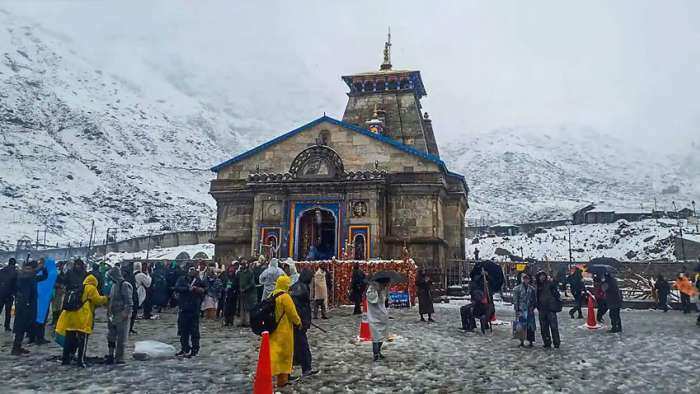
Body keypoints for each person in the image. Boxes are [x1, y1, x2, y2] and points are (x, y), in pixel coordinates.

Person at [56, 273, 108, 367]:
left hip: (70, 316)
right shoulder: (91, 288)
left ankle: (65, 359)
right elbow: (97, 300)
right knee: (82, 340)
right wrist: (106, 298)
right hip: (81, 317)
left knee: (69, 339)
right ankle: (80, 361)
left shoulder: (79, 286)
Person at [269, 275, 302, 387]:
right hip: (284, 330)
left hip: (273, 329)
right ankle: (282, 380)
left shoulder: (272, 294)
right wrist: (298, 322)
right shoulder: (285, 297)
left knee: (274, 354)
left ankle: (271, 375)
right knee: (285, 356)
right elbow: (292, 313)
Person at [11, 260, 48, 355]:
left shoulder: (31, 276)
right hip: (24, 304)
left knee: (24, 326)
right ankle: (16, 348)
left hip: (28, 304)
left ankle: (18, 346)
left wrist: (44, 269)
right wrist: (39, 267)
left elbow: (44, 277)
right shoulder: (24, 275)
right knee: (20, 325)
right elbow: (28, 274)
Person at [290, 269, 318, 377]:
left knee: (297, 344)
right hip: (300, 321)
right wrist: (304, 321)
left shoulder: (295, 286)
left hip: (297, 321)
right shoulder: (302, 289)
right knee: (303, 345)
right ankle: (306, 368)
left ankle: (296, 363)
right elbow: (302, 308)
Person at [174, 266, 207, 357]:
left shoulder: (198, 281)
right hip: (183, 307)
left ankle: (195, 349)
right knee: (183, 330)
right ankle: (185, 348)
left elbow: (205, 290)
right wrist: (187, 289)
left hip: (194, 308)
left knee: (194, 331)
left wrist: (198, 290)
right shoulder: (182, 279)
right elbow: (176, 288)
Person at [105, 266, 133, 364]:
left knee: (121, 338)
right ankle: (110, 355)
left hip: (122, 315)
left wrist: (125, 314)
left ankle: (119, 357)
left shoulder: (125, 285)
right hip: (113, 315)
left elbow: (129, 302)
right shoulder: (113, 286)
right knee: (111, 336)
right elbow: (111, 299)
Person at [535, 271, 561, 348]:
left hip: (550, 309)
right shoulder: (537, 286)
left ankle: (556, 342)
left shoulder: (550, 284)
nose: (542, 277)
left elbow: (556, 292)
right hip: (542, 309)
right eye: (540, 276)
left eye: (543, 276)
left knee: (554, 327)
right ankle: (547, 342)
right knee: (544, 328)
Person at [366, 277, 390, 361]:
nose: (386, 286)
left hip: (382, 316)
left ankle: (379, 351)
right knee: (375, 336)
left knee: (382, 336)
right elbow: (372, 300)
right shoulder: (371, 289)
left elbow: (385, 302)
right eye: (385, 284)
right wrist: (377, 292)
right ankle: (375, 354)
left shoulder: (384, 289)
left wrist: (386, 294)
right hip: (373, 316)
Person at [513, 273, 536, 347]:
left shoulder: (532, 289)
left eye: (527, 279)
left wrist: (533, 306)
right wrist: (516, 309)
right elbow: (515, 300)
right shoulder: (517, 289)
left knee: (530, 326)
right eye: (525, 278)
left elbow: (534, 299)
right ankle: (521, 341)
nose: (526, 280)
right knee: (521, 326)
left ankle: (531, 341)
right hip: (521, 310)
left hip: (529, 310)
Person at [0, 257, 18, 332]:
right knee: (8, 311)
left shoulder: (1, 270)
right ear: (14, 264)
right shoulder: (15, 272)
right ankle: (7, 326)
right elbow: (16, 284)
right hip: (9, 295)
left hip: (1, 293)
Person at [237, 260, 256, 327]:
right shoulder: (239, 272)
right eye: (242, 264)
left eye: (244, 264)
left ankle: (247, 321)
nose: (243, 265)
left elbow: (252, 283)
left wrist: (245, 289)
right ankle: (242, 321)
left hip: (249, 293)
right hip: (241, 292)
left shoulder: (250, 272)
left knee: (248, 307)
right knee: (241, 307)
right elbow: (238, 281)